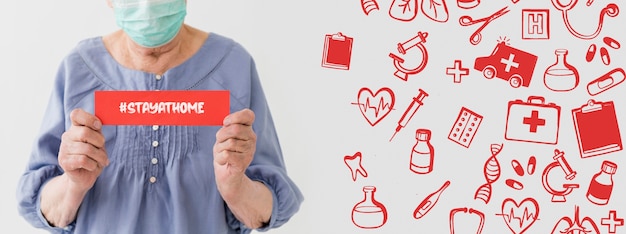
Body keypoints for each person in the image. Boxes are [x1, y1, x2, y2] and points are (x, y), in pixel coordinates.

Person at [16, 0, 304, 233]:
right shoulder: (78, 69)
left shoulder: (233, 66)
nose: (147, 5)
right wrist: (73, 184)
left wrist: (235, 187)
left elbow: (265, 212)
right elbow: (45, 210)